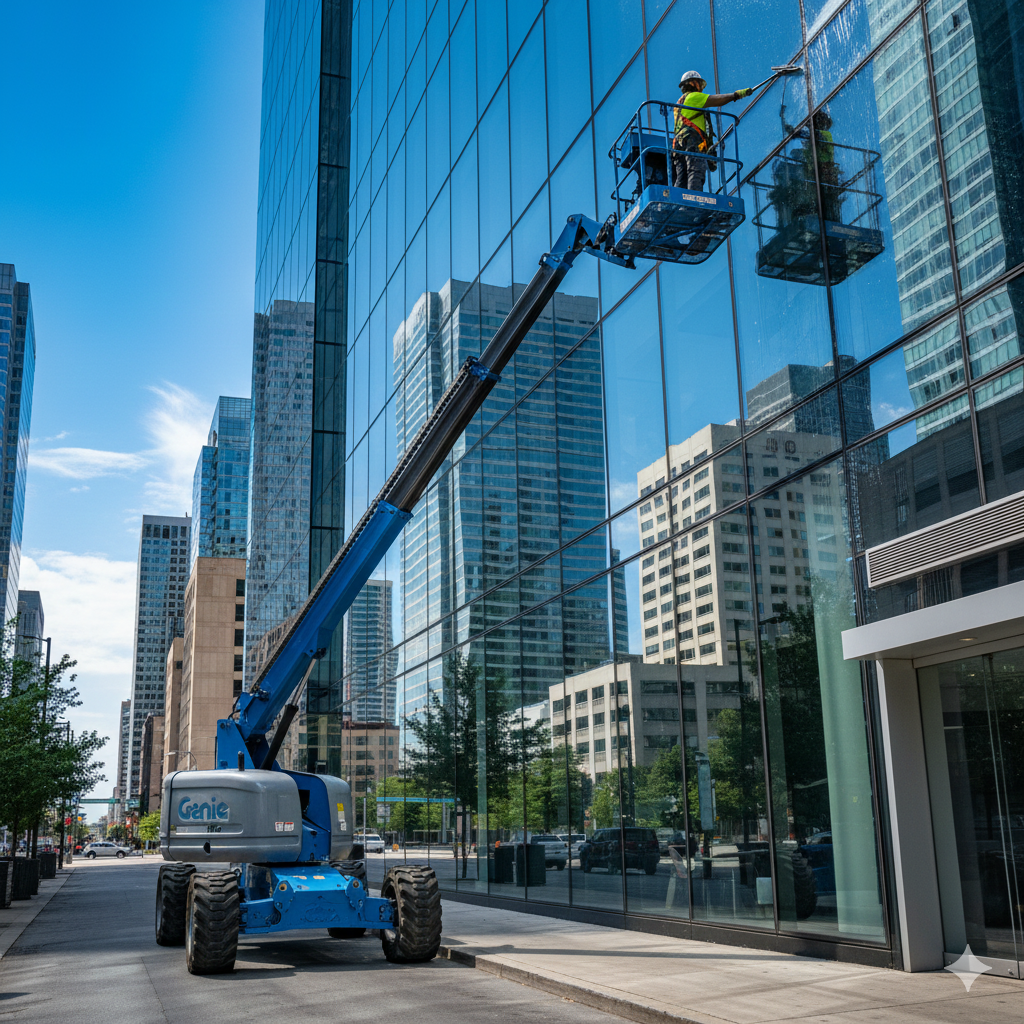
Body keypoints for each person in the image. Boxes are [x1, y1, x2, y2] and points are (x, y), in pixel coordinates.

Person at [673, 71, 752, 192]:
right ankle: (695, 200)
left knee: (682, 176)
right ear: (693, 84)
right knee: (696, 170)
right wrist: (736, 95)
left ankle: (676, 202)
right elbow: (718, 99)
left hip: (678, 145)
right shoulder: (693, 97)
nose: (700, 87)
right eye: (698, 83)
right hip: (691, 139)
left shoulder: (679, 103)